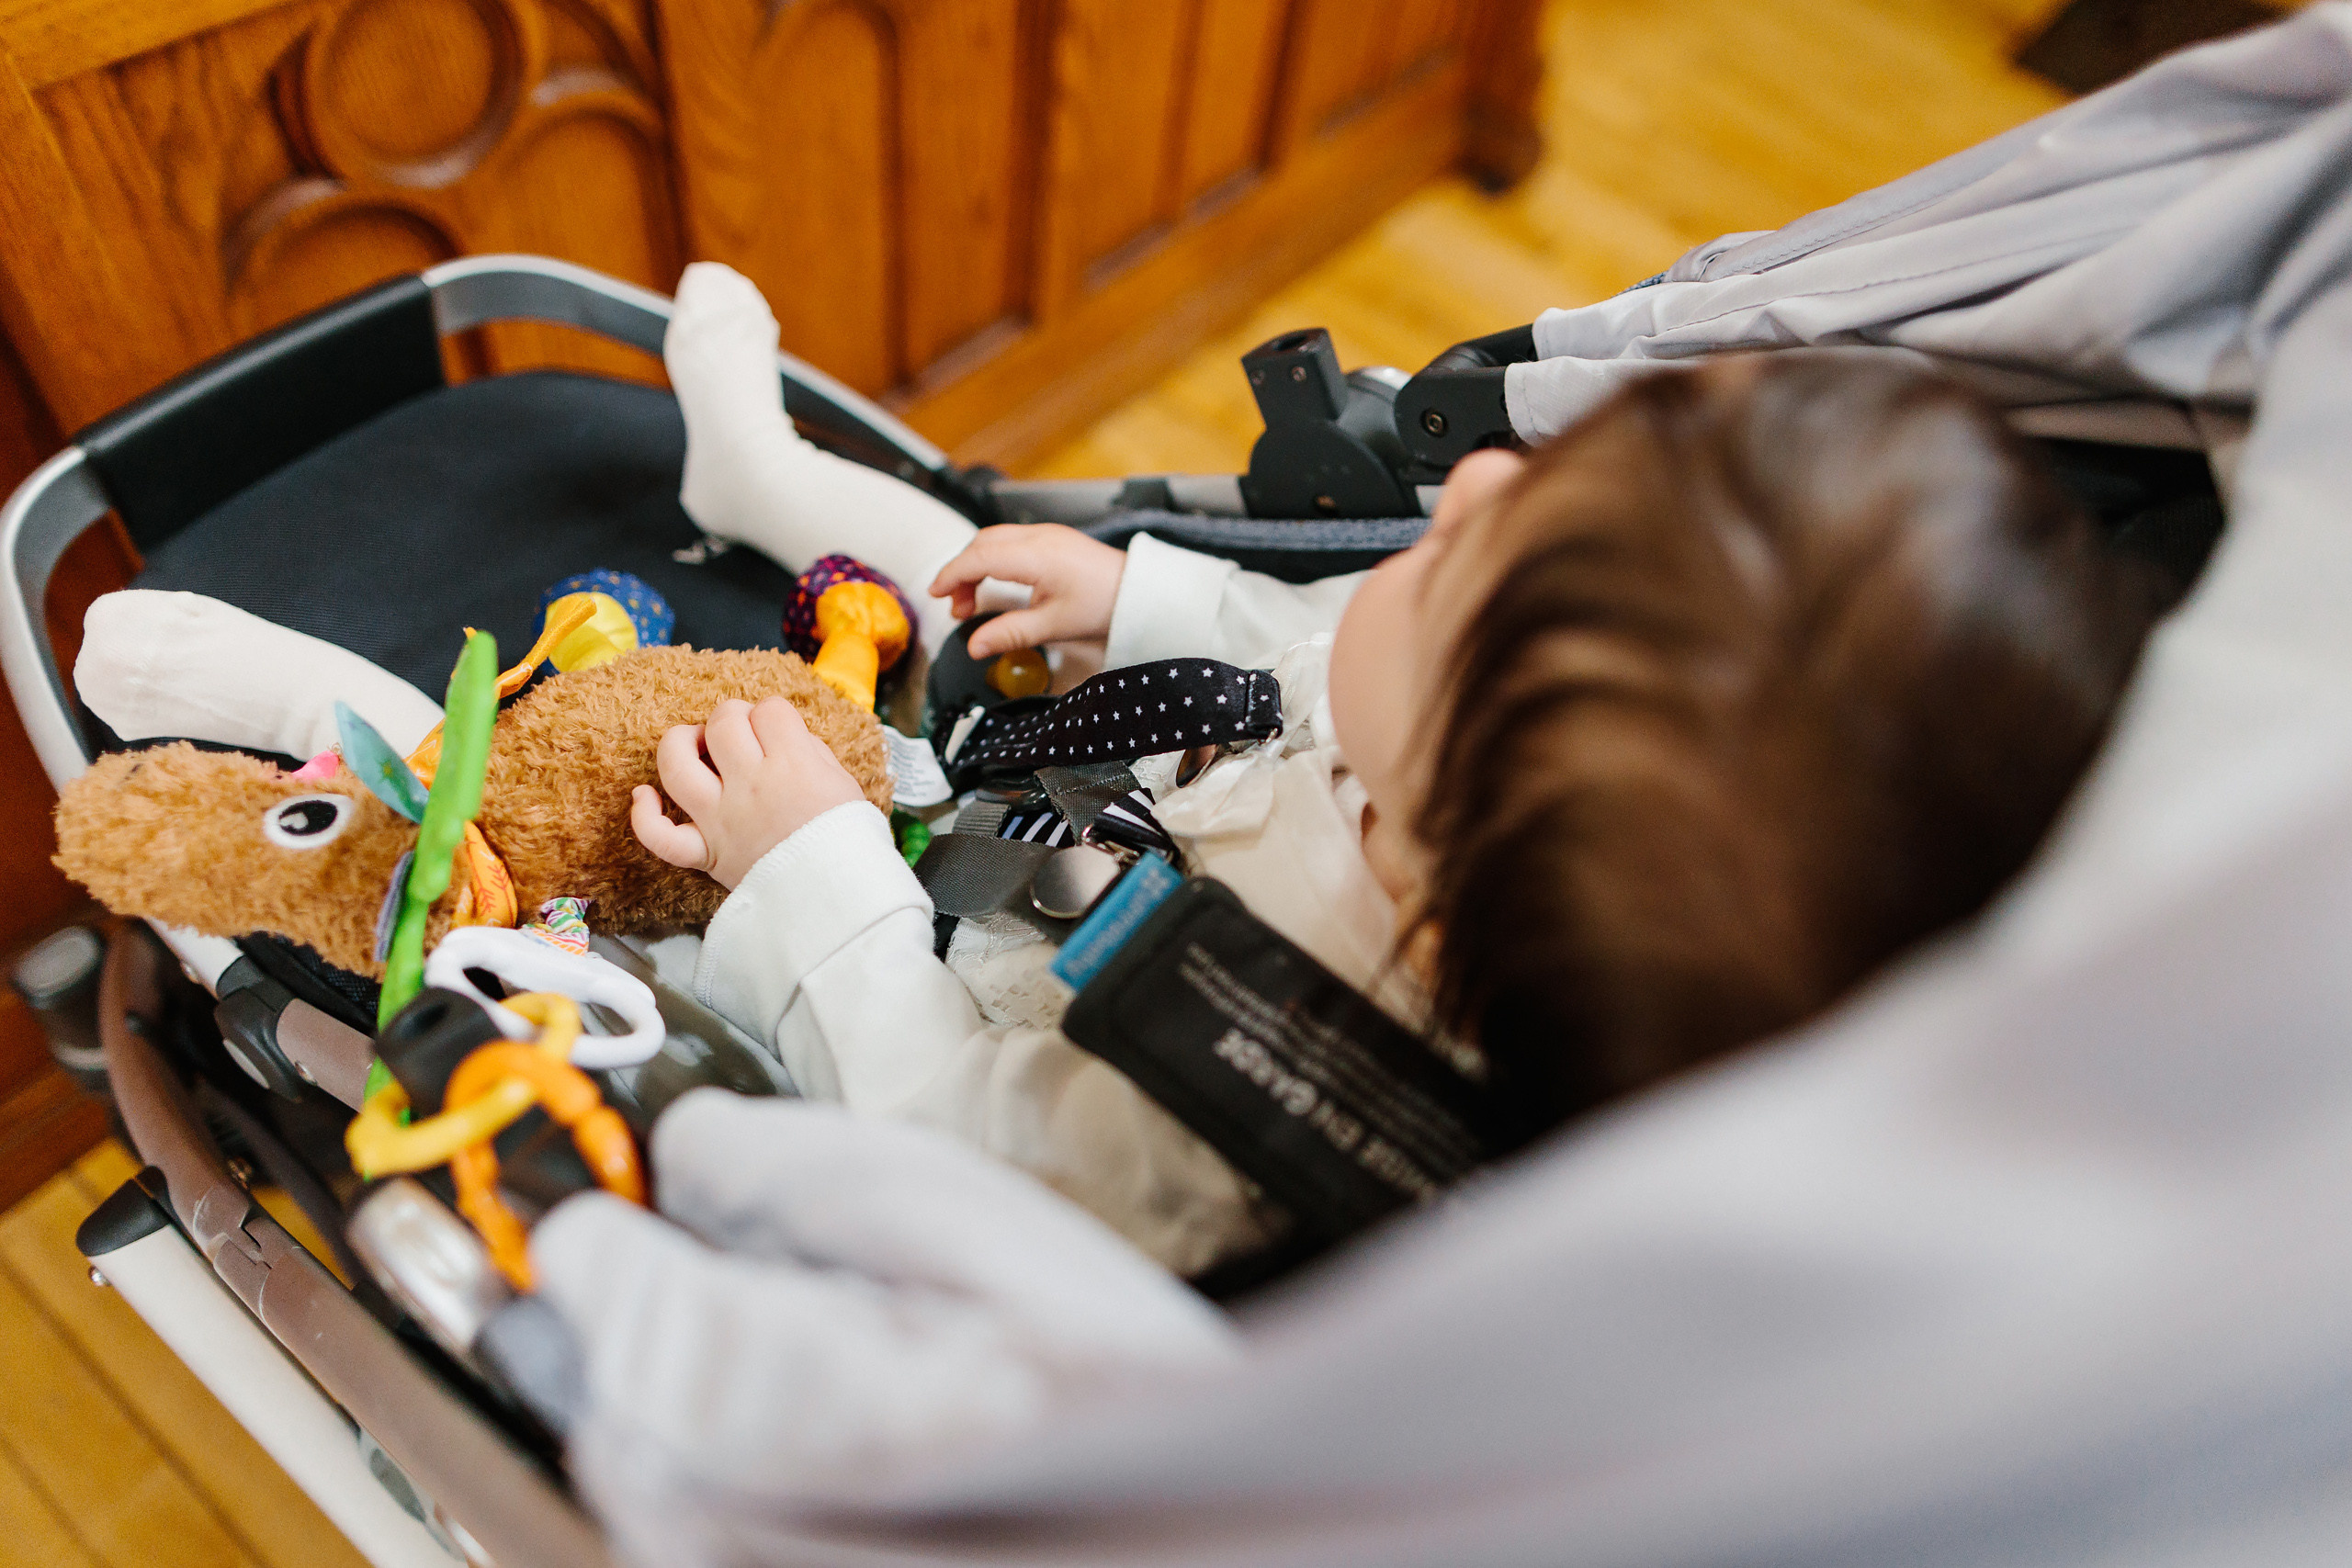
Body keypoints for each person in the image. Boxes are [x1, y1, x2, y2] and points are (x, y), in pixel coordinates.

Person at [628, 264, 2162, 1277]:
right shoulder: (1485, 740)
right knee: (989, 589)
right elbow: (1331, 652)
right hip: (1181, 756)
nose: (1480, 477)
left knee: (698, 869)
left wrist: (816, 878)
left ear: (1434, 874)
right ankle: (770, 484)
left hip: (994, 992)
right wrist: (1145, 605)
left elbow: (957, 1155)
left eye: (1478, 550)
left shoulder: (1266, 1086)